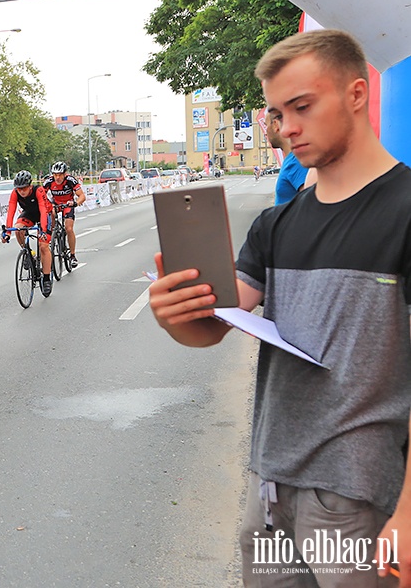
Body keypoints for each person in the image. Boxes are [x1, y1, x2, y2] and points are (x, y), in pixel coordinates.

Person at [148, 29, 411, 586]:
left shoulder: (405, 211)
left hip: (355, 498)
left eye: (302, 106)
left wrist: (410, 513)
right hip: (269, 491)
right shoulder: (276, 224)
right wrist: (175, 316)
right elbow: (214, 326)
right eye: (276, 111)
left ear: (357, 94)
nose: (286, 127)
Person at [2, 170, 53, 296]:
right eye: (19, 189)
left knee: (43, 246)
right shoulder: (15, 193)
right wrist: (7, 232)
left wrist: (43, 231)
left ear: (30, 186)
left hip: (45, 214)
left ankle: (46, 279)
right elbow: (11, 211)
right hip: (29, 214)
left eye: (24, 188)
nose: (21, 191)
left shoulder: (38, 190)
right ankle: (27, 252)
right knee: (18, 228)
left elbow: (43, 210)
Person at [266, 109, 318, 205]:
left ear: (275, 125)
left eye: (266, 126)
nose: (266, 132)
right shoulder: (293, 160)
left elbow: (313, 204)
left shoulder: (296, 161)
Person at [43, 161, 85, 268]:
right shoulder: (49, 181)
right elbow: (41, 195)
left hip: (68, 204)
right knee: (51, 212)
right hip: (56, 204)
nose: (57, 178)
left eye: (60, 175)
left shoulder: (70, 180)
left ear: (65, 174)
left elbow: (82, 196)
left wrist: (76, 203)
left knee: (69, 229)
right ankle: (51, 234)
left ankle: (72, 255)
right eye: (55, 175)